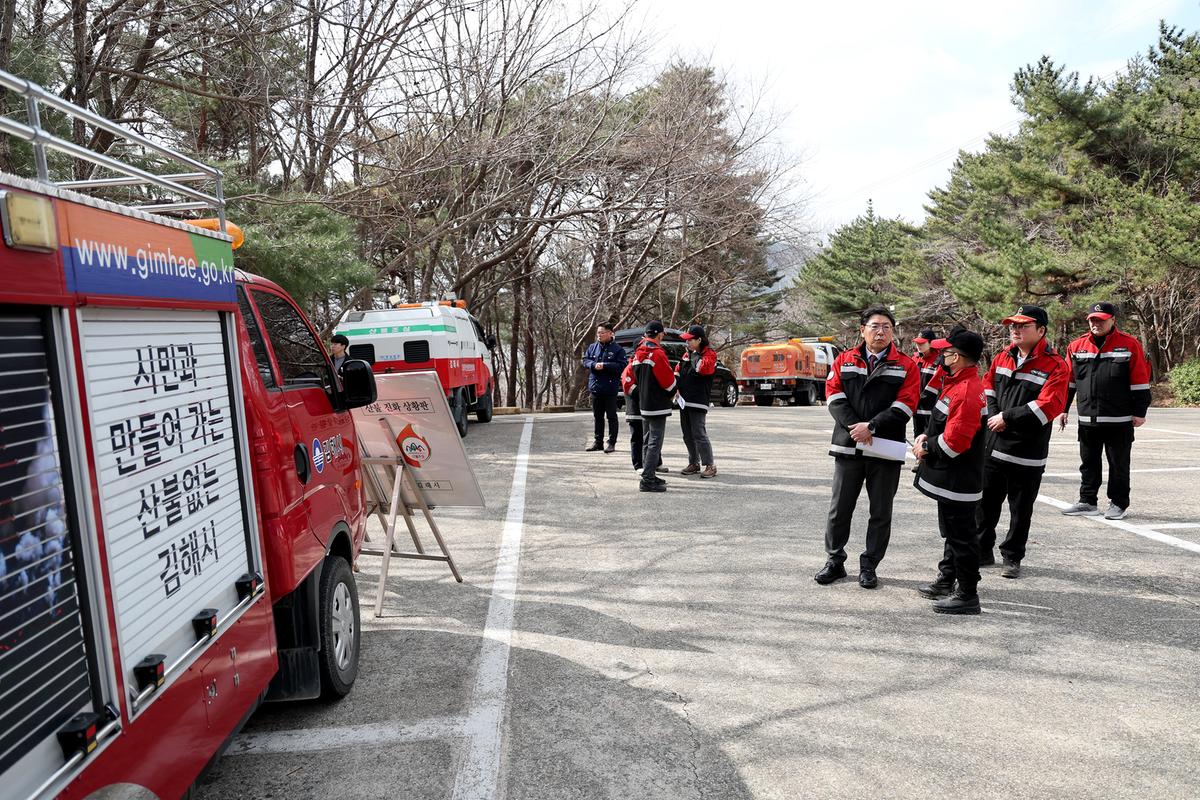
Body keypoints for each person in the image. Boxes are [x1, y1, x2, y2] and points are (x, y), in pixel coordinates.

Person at [815, 305, 921, 589]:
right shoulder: (844, 360)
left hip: (884, 448)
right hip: (848, 447)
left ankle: (869, 565)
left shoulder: (907, 366)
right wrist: (856, 429)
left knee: (881, 511)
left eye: (887, 326)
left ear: (893, 331)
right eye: (875, 326)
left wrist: (870, 427)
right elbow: (834, 397)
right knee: (839, 509)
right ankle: (834, 561)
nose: (881, 331)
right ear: (862, 330)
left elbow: (906, 405)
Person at [976, 305, 1069, 579]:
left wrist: (1007, 417)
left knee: (1020, 509)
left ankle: (1012, 556)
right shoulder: (1002, 356)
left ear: (1041, 331)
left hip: (1027, 452)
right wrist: (994, 415)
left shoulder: (1056, 365)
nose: (1015, 330)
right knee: (986, 504)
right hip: (994, 446)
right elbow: (988, 386)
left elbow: (1049, 406)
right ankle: (982, 550)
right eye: (1013, 325)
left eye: (1023, 325)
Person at [912, 327, 988, 615]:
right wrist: (926, 438)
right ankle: (948, 579)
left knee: (962, 536)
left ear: (956, 357)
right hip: (951, 479)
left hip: (958, 479)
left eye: (945, 352)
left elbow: (955, 442)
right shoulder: (956, 382)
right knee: (953, 533)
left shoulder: (967, 390)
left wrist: (926, 447)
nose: (941, 355)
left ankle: (968, 594)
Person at [1058, 302, 1152, 520]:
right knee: (1088, 462)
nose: (1096, 323)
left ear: (1112, 320)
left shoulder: (1129, 344)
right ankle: (1087, 501)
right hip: (1087, 418)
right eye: (1092, 319)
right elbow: (1068, 382)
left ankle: (1118, 503)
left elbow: (1140, 380)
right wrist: (1063, 409)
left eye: (1100, 319)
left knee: (1119, 464)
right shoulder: (1076, 346)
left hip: (1118, 418)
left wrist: (1140, 411)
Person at [631, 320, 676, 492]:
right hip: (657, 403)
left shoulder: (638, 353)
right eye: (663, 333)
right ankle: (648, 479)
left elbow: (634, 377)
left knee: (648, 439)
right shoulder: (657, 353)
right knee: (655, 442)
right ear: (659, 334)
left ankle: (648, 474)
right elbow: (667, 380)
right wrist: (674, 391)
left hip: (644, 402)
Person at [676, 324, 719, 478]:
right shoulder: (687, 355)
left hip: (698, 400)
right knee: (687, 434)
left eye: (690, 340)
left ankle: (710, 465)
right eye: (686, 341)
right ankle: (694, 462)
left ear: (699, 340)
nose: (687, 343)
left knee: (699, 433)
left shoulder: (710, 354)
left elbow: (702, 369)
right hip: (683, 400)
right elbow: (678, 371)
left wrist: (693, 355)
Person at [581, 323, 627, 453]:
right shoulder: (592, 347)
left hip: (610, 388)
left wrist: (605, 365)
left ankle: (611, 442)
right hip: (595, 387)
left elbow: (622, 365)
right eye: (598, 333)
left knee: (611, 416)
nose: (599, 335)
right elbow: (585, 360)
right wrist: (594, 364)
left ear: (610, 333)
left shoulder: (618, 349)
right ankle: (598, 442)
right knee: (598, 416)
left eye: (602, 332)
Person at [621, 360, 662, 475]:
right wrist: (645, 393)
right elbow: (628, 385)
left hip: (649, 408)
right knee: (637, 438)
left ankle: (656, 462)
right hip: (635, 410)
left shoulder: (650, 363)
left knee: (653, 437)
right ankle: (638, 464)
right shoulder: (630, 367)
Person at [911, 328, 941, 473]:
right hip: (916, 407)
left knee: (929, 434)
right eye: (917, 342)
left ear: (931, 343)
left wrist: (918, 398)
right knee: (917, 433)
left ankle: (929, 461)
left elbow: (934, 386)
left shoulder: (939, 361)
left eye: (922, 343)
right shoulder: (915, 358)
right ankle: (919, 459)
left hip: (931, 408)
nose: (919, 345)